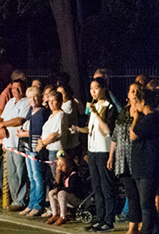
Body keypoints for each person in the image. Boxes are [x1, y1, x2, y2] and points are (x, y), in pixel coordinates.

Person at [72, 77, 118, 232]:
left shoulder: (109, 107)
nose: (93, 91)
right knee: (96, 187)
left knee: (107, 186)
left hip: (104, 151)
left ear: (104, 88)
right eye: (91, 88)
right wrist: (78, 129)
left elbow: (108, 130)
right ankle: (100, 218)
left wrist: (96, 113)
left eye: (96, 88)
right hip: (92, 150)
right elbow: (89, 128)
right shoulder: (93, 106)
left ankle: (109, 220)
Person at [108, 82, 143, 234]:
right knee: (131, 194)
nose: (134, 93)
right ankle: (133, 226)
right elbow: (115, 136)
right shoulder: (123, 112)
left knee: (141, 195)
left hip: (137, 159)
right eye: (131, 91)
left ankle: (140, 224)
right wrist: (111, 156)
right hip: (123, 160)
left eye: (137, 91)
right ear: (128, 95)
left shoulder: (143, 114)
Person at [0, 78, 30, 211]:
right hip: (8, 143)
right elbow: (2, 118)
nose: (16, 90)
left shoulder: (26, 102)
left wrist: (4, 124)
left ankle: (21, 200)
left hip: (19, 143)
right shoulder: (10, 102)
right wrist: (1, 127)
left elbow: (19, 120)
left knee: (20, 172)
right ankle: (15, 199)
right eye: (14, 88)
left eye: (19, 87)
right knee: (11, 173)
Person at [130, 89, 159, 234]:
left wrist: (135, 117)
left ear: (143, 102)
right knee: (148, 204)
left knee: (146, 204)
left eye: (137, 102)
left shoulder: (150, 118)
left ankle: (147, 231)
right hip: (143, 166)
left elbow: (133, 135)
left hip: (147, 167)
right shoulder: (150, 118)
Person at [17, 86, 48, 217]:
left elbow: (40, 131)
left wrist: (25, 134)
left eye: (35, 96)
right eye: (30, 97)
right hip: (27, 147)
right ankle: (31, 203)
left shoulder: (42, 112)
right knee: (31, 177)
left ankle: (38, 205)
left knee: (37, 176)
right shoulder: (30, 111)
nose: (33, 99)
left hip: (36, 147)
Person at [38, 90, 68, 179]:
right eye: (49, 101)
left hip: (56, 150)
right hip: (49, 149)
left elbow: (54, 134)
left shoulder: (60, 115)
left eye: (53, 101)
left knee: (57, 176)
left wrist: (42, 144)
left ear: (59, 102)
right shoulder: (51, 116)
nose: (50, 103)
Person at [47, 154, 84, 226]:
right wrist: (58, 176)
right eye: (58, 166)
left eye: (62, 165)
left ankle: (63, 216)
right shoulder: (62, 175)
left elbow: (71, 189)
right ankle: (55, 214)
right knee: (52, 193)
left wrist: (59, 189)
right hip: (66, 198)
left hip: (76, 199)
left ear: (69, 165)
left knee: (61, 193)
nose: (59, 168)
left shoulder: (74, 175)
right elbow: (56, 187)